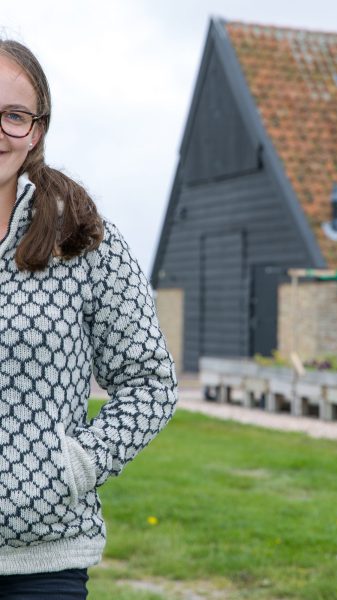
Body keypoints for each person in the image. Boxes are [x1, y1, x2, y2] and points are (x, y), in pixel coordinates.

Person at [0, 39, 178, 599]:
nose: (0, 129)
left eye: (14, 115)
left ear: (36, 131)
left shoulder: (80, 240)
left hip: (41, 562)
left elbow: (151, 382)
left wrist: (74, 467)